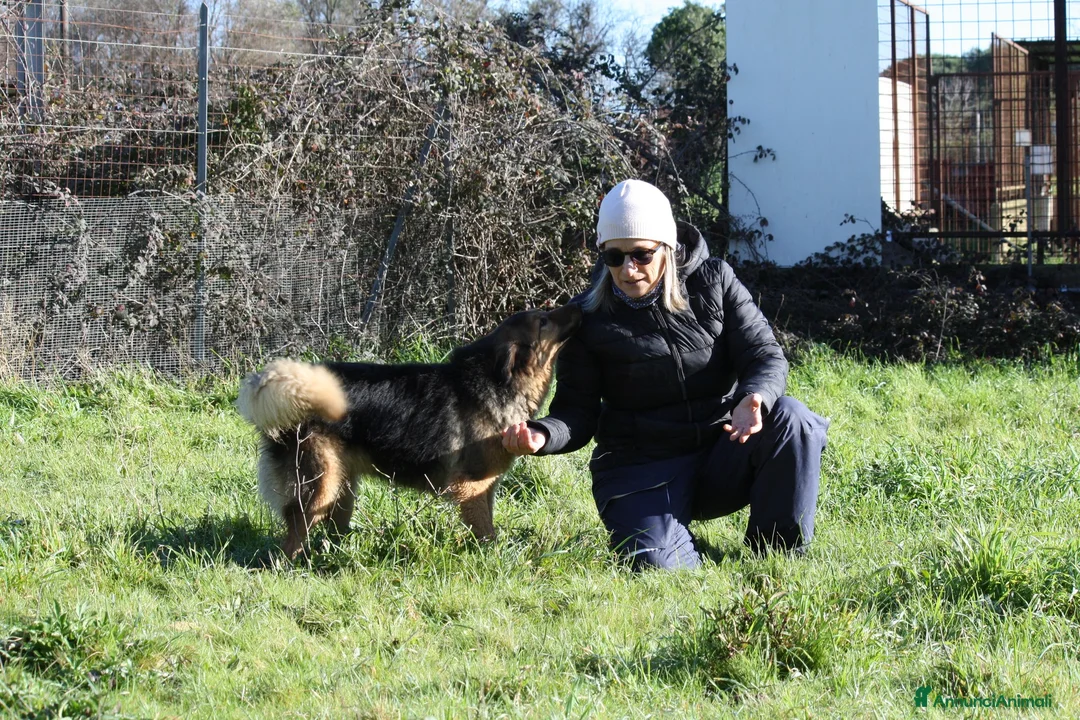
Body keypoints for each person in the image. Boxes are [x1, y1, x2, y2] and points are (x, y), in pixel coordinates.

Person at [501, 179, 829, 571]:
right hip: (640, 469)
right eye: (614, 256)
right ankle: (669, 540)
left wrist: (754, 397)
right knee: (660, 570)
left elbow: (764, 354)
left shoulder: (714, 280)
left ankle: (777, 556)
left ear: (667, 248)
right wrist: (541, 435)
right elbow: (577, 412)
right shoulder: (585, 317)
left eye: (641, 254)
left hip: (721, 449)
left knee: (794, 419)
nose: (627, 268)